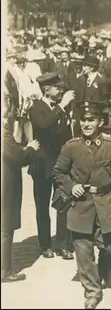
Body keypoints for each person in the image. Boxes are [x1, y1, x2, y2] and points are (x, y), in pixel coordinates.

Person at [52, 100, 111, 309]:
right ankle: (92, 291)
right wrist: (71, 186)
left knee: (110, 246)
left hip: (108, 202)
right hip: (81, 205)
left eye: (91, 120)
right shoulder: (71, 147)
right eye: (84, 120)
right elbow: (58, 172)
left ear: (100, 122)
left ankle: (103, 272)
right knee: (82, 249)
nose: (87, 124)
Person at [28, 72, 75, 259]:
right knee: (42, 207)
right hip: (42, 165)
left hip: (60, 165)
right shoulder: (36, 108)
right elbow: (45, 125)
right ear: (46, 90)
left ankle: (62, 244)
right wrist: (62, 107)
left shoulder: (61, 109)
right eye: (57, 88)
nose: (61, 91)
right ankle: (45, 244)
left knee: (63, 203)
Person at [1, 114, 40, 282]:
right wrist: (31, 148)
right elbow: (17, 156)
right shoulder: (3, 133)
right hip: (5, 184)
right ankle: (5, 271)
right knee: (5, 227)